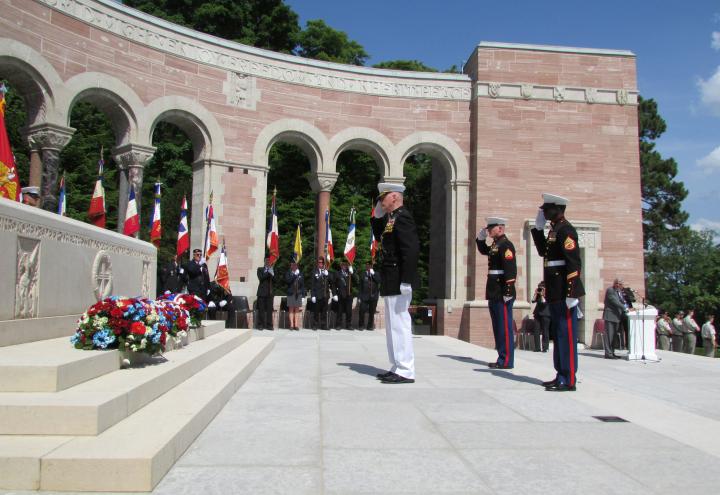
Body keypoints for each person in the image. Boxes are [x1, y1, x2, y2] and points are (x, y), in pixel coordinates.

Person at [531, 193, 585, 392]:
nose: (544, 212)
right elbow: (543, 252)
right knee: (558, 334)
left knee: (566, 334)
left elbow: (573, 263)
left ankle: (569, 378)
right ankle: (560, 373)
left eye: (547, 209)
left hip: (564, 290)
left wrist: (572, 292)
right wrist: (537, 230)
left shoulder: (566, 230)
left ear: (558, 209)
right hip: (554, 290)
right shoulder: (554, 231)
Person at [371, 182, 419, 384]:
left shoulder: (403, 217)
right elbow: (376, 228)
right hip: (391, 276)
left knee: (400, 324)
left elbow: (411, 250)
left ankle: (406, 369)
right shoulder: (392, 218)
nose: (382, 201)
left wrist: (407, 279)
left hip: (400, 277)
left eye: (384, 198)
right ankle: (397, 365)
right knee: (392, 326)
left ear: (395, 197)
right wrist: (378, 210)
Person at [476, 216, 517, 369]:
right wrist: (480, 240)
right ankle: (502, 357)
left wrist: (508, 291)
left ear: (500, 228)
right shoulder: (496, 244)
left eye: (491, 227)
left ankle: (506, 360)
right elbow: (484, 251)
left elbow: (510, 269)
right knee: (497, 326)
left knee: (504, 326)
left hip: (502, 291)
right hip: (494, 290)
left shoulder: (506, 245)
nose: (488, 230)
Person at [602, 278, 626, 359]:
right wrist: (625, 308)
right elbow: (615, 301)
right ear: (615, 284)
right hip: (610, 316)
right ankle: (608, 354)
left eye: (621, 284)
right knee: (609, 336)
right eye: (619, 284)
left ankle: (612, 352)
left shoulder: (619, 292)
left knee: (614, 336)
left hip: (617, 317)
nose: (620, 286)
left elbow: (622, 301)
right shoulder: (610, 290)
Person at [358, 262, 381, 330]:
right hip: (364, 296)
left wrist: (373, 274)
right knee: (362, 310)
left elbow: (379, 281)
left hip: (374, 296)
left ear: (372, 266)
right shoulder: (363, 274)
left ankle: (370, 326)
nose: (368, 267)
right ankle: (361, 325)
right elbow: (360, 287)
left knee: (372, 312)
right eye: (367, 265)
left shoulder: (376, 273)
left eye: (370, 265)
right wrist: (359, 297)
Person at [333, 260, 355, 329]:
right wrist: (334, 294)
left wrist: (353, 273)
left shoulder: (350, 273)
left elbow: (356, 281)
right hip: (340, 294)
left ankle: (349, 325)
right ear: (341, 266)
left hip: (349, 294)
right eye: (343, 265)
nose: (344, 266)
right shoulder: (337, 273)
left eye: (346, 265)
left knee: (349, 311)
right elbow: (333, 284)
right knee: (340, 310)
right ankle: (338, 325)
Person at [310, 257, 331, 330]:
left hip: (325, 295)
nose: (320, 264)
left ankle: (323, 325)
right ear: (317, 263)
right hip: (317, 295)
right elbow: (312, 285)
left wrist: (328, 275)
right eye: (319, 262)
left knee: (324, 311)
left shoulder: (326, 272)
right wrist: (312, 295)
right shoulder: (314, 272)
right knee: (316, 311)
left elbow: (331, 281)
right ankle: (315, 325)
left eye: (322, 262)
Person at [285, 260, 305, 330]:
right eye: (292, 265)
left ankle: (296, 325)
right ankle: (291, 325)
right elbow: (288, 281)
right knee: (291, 309)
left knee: (297, 309)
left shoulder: (300, 273)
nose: (294, 266)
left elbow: (302, 285)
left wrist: (303, 295)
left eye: (295, 265)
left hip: (298, 293)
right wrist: (294, 275)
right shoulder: (288, 273)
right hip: (291, 293)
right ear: (291, 265)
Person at [256, 257, 275, 330]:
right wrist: (268, 272)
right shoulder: (260, 269)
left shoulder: (272, 270)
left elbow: (276, 280)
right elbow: (261, 278)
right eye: (266, 261)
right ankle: (260, 324)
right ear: (264, 262)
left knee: (270, 310)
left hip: (270, 293)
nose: (268, 262)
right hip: (261, 293)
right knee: (261, 309)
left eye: (269, 261)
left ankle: (269, 325)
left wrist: (272, 273)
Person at [531, 281, 551, 352]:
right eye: (539, 287)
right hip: (537, 314)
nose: (540, 289)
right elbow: (533, 301)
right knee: (536, 331)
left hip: (546, 314)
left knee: (545, 331)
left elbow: (544, 303)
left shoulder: (549, 294)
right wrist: (536, 293)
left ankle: (545, 347)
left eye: (542, 288)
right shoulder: (538, 294)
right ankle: (537, 347)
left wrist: (542, 295)